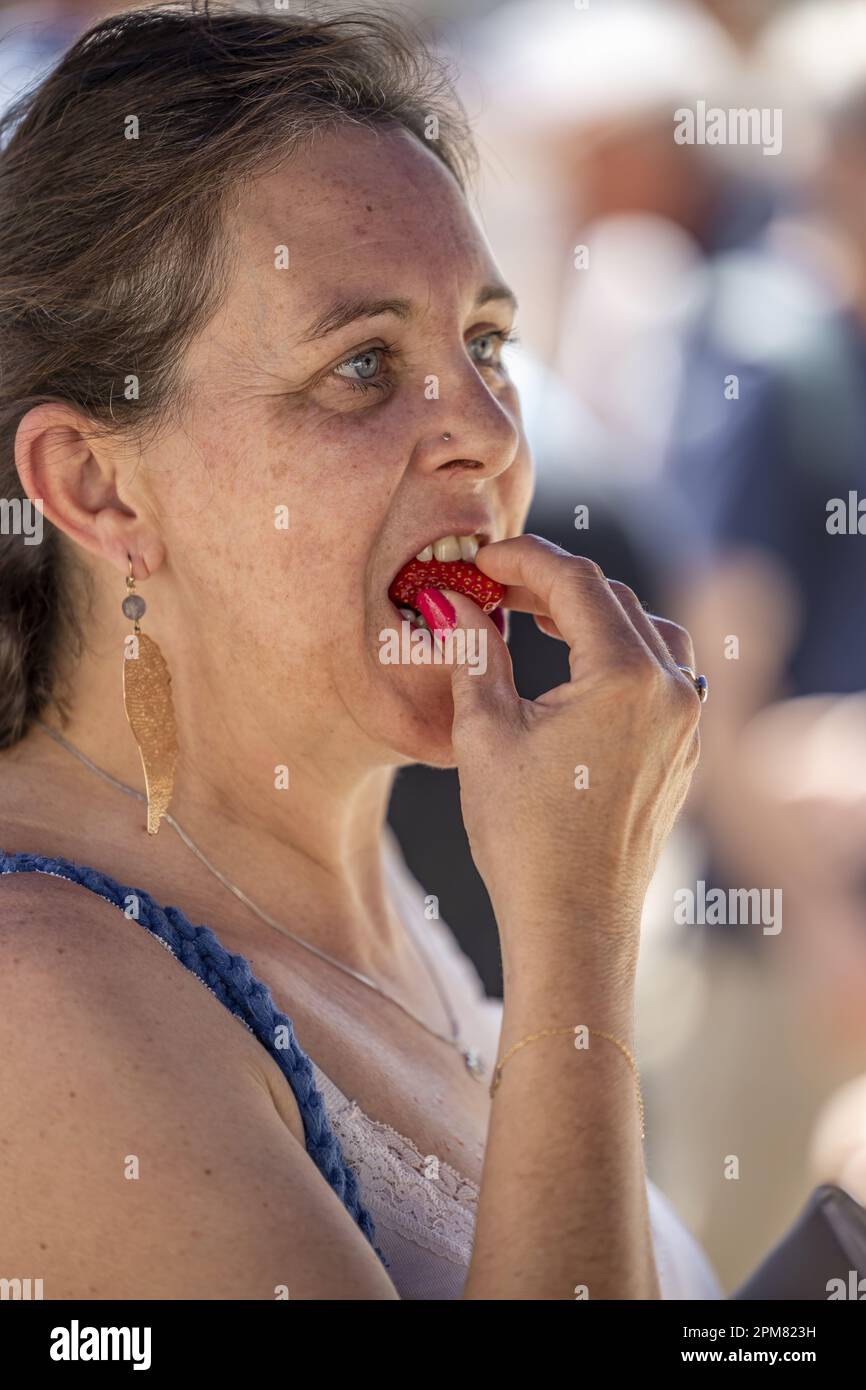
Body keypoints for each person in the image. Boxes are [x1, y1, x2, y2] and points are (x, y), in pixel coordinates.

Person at [0, 4, 717, 1299]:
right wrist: (576, 938)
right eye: (363, 364)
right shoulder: (33, 1002)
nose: (487, 437)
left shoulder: (358, 866)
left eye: (485, 343)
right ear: (97, 487)